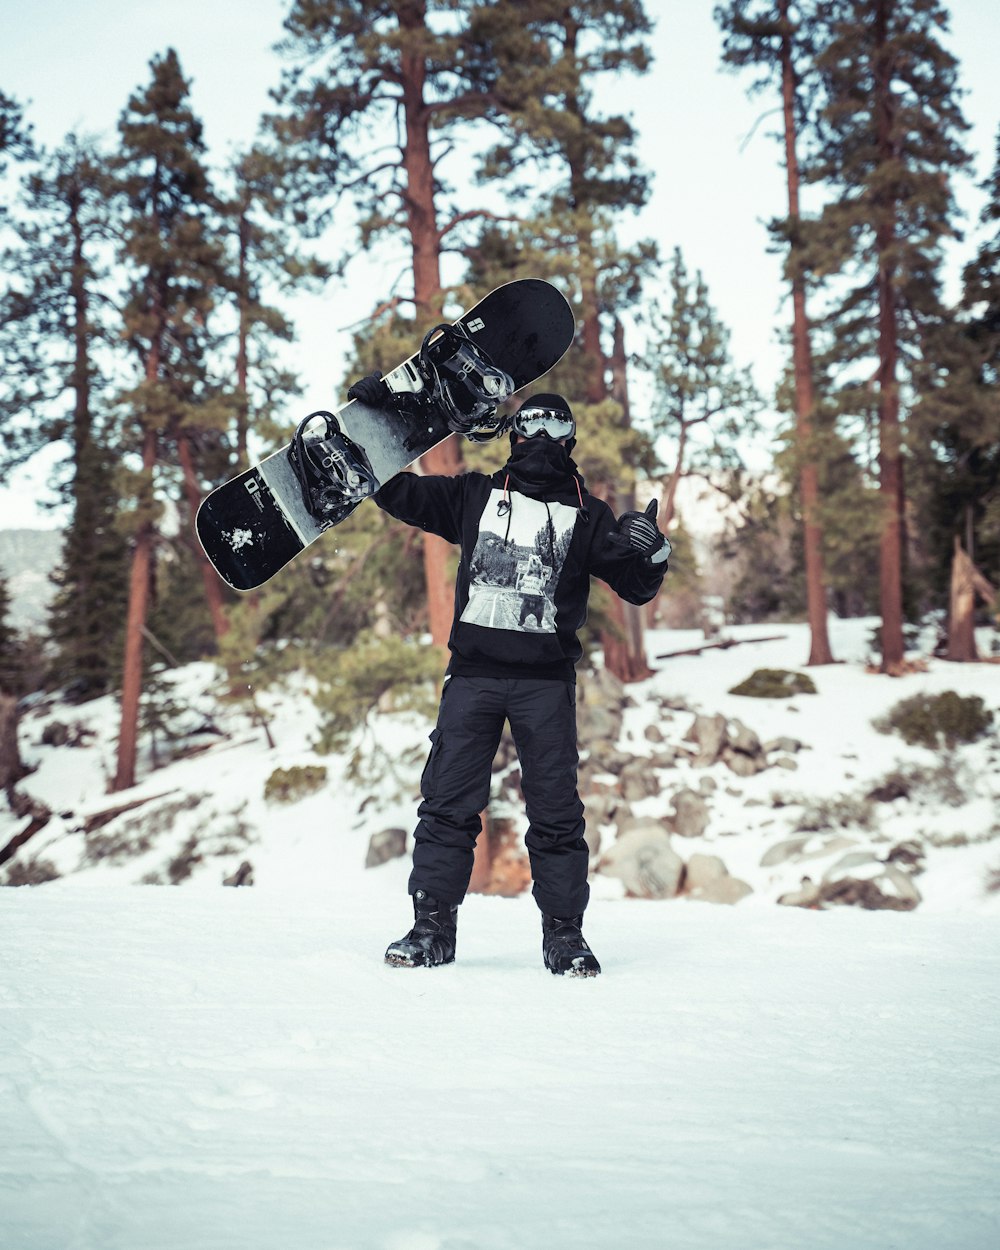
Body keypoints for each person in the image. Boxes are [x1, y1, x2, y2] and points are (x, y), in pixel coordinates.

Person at [346, 378, 670, 976]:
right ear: (513, 436)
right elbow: (402, 496)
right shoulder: (473, 494)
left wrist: (651, 553)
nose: (542, 439)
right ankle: (431, 930)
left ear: (571, 440)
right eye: (533, 427)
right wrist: (376, 423)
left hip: (546, 686)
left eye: (556, 429)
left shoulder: (590, 515)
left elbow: (636, 586)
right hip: (472, 677)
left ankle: (565, 938)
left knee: (555, 814)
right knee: (447, 805)